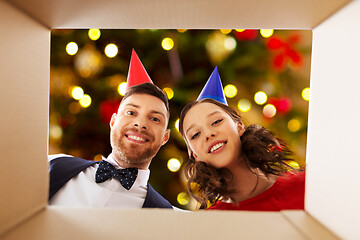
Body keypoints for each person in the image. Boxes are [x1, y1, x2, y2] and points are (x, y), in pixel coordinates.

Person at [49, 50, 173, 209]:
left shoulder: (166, 215)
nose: (140, 124)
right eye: (131, 112)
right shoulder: (53, 166)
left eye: (155, 119)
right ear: (113, 121)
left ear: (165, 137)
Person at [178, 67, 305, 211]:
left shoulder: (306, 185)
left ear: (239, 127)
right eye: (195, 135)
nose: (208, 134)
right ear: (195, 155)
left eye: (216, 122)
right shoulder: (211, 222)